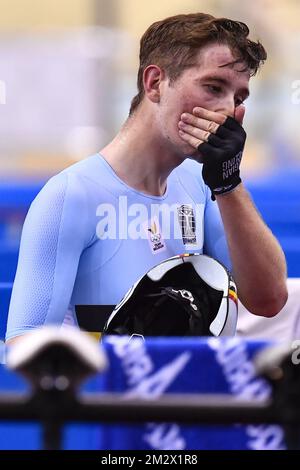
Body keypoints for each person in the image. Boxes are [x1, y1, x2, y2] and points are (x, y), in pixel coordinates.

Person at [6, 12, 288, 343]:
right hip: (107, 391)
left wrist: (228, 183)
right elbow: (25, 346)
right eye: (214, 87)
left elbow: (269, 300)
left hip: (190, 390)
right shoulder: (71, 196)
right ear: (155, 83)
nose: (228, 111)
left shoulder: (201, 186)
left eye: (238, 99)